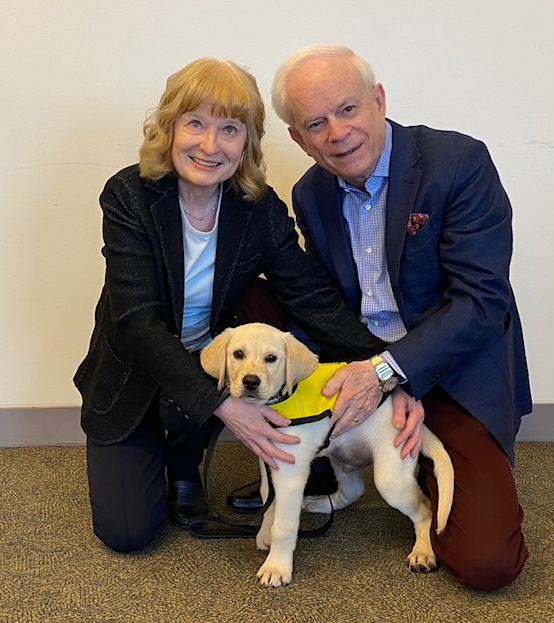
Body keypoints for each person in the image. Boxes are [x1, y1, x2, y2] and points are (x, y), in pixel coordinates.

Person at [73, 57, 389, 553]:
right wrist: (223, 407)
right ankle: (164, 439)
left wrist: (386, 370)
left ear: (247, 143)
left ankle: (186, 463)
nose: (209, 144)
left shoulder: (258, 209)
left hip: (213, 366)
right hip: (136, 373)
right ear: (169, 127)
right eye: (194, 123)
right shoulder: (129, 195)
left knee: (271, 324)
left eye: (229, 129)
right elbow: (135, 322)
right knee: (127, 533)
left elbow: (311, 298)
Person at [267, 44, 532, 592]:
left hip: (453, 375)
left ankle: (426, 466)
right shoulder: (310, 193)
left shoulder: (458, 162)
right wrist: (370, 374)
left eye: (348, 109)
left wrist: (389, 374)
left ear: (379, 100)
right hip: (364, 360)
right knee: (255, 291)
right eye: (316, 122)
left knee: (488, 563)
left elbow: (483, 301)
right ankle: (337, 458)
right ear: (298, 138)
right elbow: (324, 304)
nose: (338, 132)